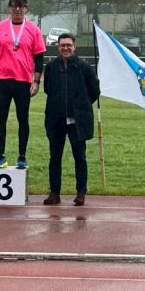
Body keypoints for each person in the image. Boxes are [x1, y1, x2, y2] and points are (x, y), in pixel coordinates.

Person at [0, 0, 45, 169]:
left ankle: (22, 156)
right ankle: (1, 155)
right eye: (14, 6)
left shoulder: (33, 29)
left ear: (26, 9)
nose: (17, 9)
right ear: (9, 8)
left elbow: (39, 57)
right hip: (3, 79)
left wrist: (36, 81)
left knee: (23, 119)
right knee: (0, 118)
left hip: (23, 80)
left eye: (21, 6)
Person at [42, 33, 100, 206]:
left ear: (75, 46)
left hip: (77, 121)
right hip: (56, 120)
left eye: (68, 45)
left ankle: (81, 192)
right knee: (55, 157)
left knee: (80, 157)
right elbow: (48, 90)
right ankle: (54, 193)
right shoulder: (51, 67)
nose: (65, 48)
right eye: (62, 45)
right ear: (58, 47)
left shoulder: (85, 67)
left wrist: (80, 106)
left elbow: (94, 91)